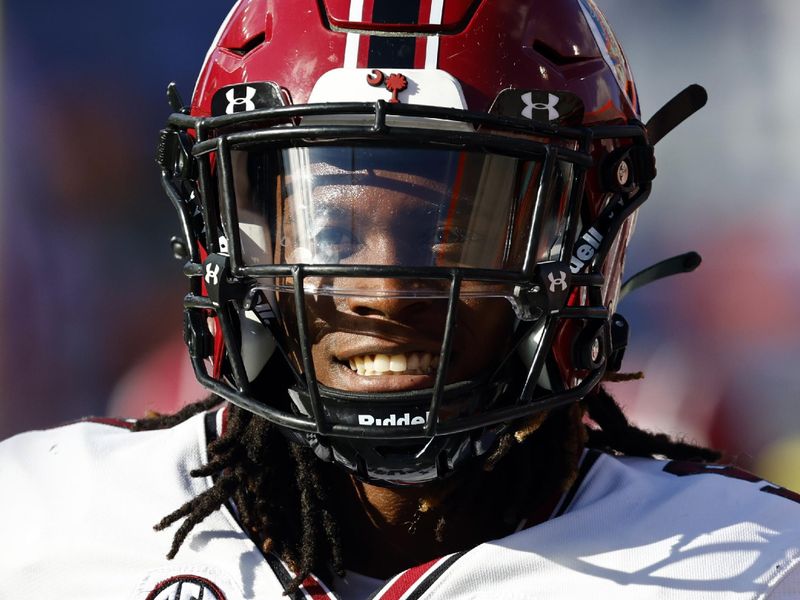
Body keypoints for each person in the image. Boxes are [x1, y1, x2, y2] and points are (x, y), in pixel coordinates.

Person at [2, 0, 800, 598]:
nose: (384, 292)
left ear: (581, 238)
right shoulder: (40, 524)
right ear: (230, 237)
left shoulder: (752, 564)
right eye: (333, 237)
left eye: (452, 233)